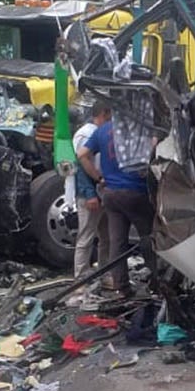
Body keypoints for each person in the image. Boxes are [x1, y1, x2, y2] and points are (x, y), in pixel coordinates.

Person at [77, 117, 156, 297]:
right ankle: (156, 282)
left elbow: (82, 154)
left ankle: (121, 287)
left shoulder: (103, 130)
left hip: (111, 194)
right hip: (137, 192)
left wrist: (99, 178)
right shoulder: (140, 127)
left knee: (117, 242)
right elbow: (154, 148)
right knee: (148, 238)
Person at [72, 101, 111, 279]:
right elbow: (80, 166)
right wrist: (90, 193)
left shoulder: (96, 132)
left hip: (102, 190)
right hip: (91, 192)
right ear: (103, 114)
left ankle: (104, 271)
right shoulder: (86, 134)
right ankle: (80, 276)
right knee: (86, 236)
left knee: (106, 236)